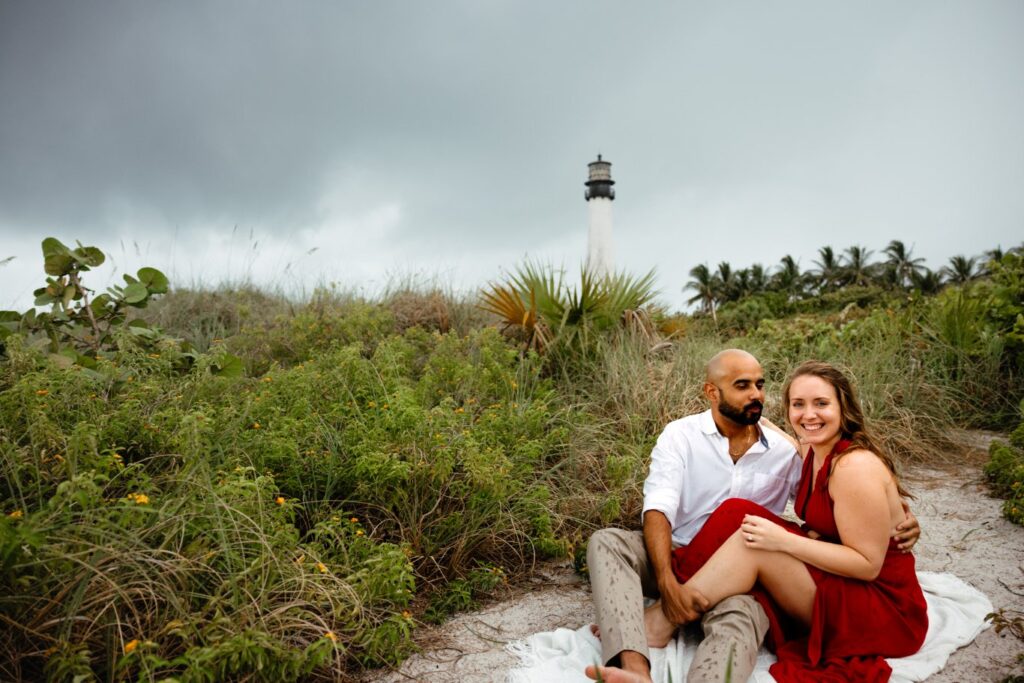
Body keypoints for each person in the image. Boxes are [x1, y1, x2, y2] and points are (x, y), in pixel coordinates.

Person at [584, 351, 920, 683]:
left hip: (862, 600)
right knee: (612, 540)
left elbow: (867, 547)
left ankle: (660, 623)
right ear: (712, 392)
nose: (808, 414)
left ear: (843, 406)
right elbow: (658, 505)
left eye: (821, 403)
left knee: (748, 536)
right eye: (798, 404)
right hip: (685, 553)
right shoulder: (801, 450)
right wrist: (668, 582)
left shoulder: (830, 460)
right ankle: (636, 667)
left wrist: (785, 540)